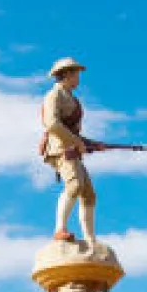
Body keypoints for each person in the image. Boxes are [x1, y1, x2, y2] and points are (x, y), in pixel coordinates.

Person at [40, 58, 99, 252]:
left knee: (88, 194)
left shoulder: (72, 99)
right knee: (74, 185)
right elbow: (52, 124)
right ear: (66, 74)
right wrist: (77, 142)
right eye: (76, 74)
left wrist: (90, 143)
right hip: (60, 149)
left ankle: (90, 239)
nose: (78, 78)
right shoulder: (54, 95)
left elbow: (73, 132)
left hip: (72, 149)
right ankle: (60, 229)